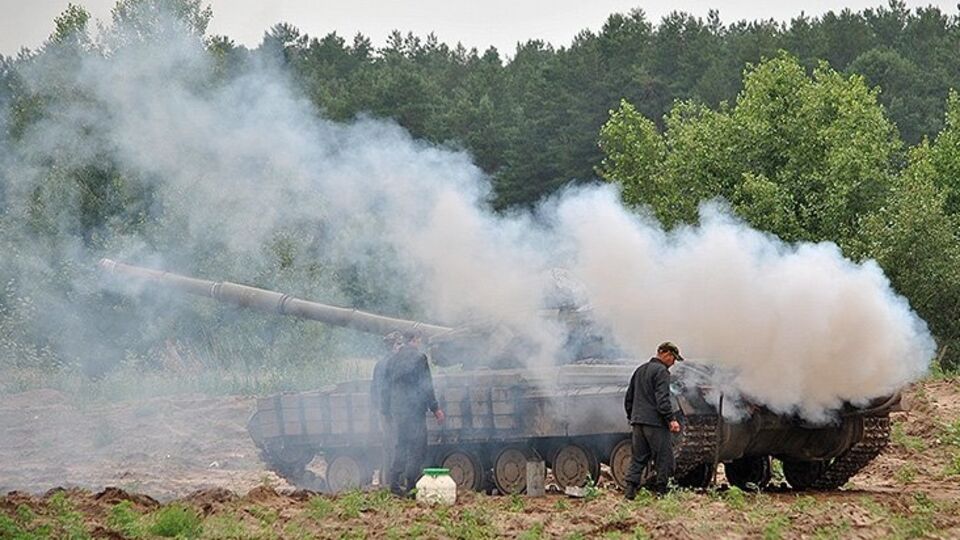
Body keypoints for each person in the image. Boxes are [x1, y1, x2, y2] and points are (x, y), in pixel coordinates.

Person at [380, 330, 445, 497]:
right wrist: (436, 408)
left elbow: (385, 388)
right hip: (415, 410)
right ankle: (410, 484)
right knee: (417, 448)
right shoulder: (419, 358)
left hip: (398, 411)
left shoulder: (392, 360)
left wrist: (386, 410)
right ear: (415, 340)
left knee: (400, 445)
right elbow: (426, 386)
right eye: (419, 340)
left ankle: (394, 484)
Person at [623, 341, 684, 499]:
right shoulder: (662, 372)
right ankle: (662, 492)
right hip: (655, 423)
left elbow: (628, 398)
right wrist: (671, 419)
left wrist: (633, 417)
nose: (673, 362)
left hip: (638, 422)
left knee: (638, 458)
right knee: (664, 458)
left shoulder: (640, 370)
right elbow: (662, 399)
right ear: (664, 354)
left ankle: (630, 492)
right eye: (672, 357)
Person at [371, 331, 403, 486]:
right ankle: (392, 482)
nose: (400, 347)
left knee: (389, 445)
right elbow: (384, 389)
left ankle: (389, 481)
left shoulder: (380, 364)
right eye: (398, 344)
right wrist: (386, 410)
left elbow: (374, 391)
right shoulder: (391, 364)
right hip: (391, 411)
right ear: (393, 346)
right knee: (394, 445)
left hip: (385, 411)